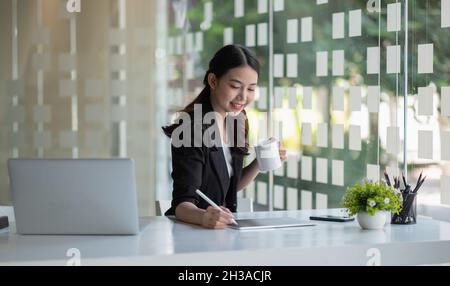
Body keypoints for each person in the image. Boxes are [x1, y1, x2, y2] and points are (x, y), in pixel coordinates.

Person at [162, 44, 287, 229]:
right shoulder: (191, 130)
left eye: (251, 89)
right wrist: (204, 217)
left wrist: (260, 163)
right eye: (235, 86)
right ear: (213, 81)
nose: (243, 97)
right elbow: (182, 205)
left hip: (223, 232)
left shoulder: (236, 121)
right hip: (194, 233)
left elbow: (229, 185)